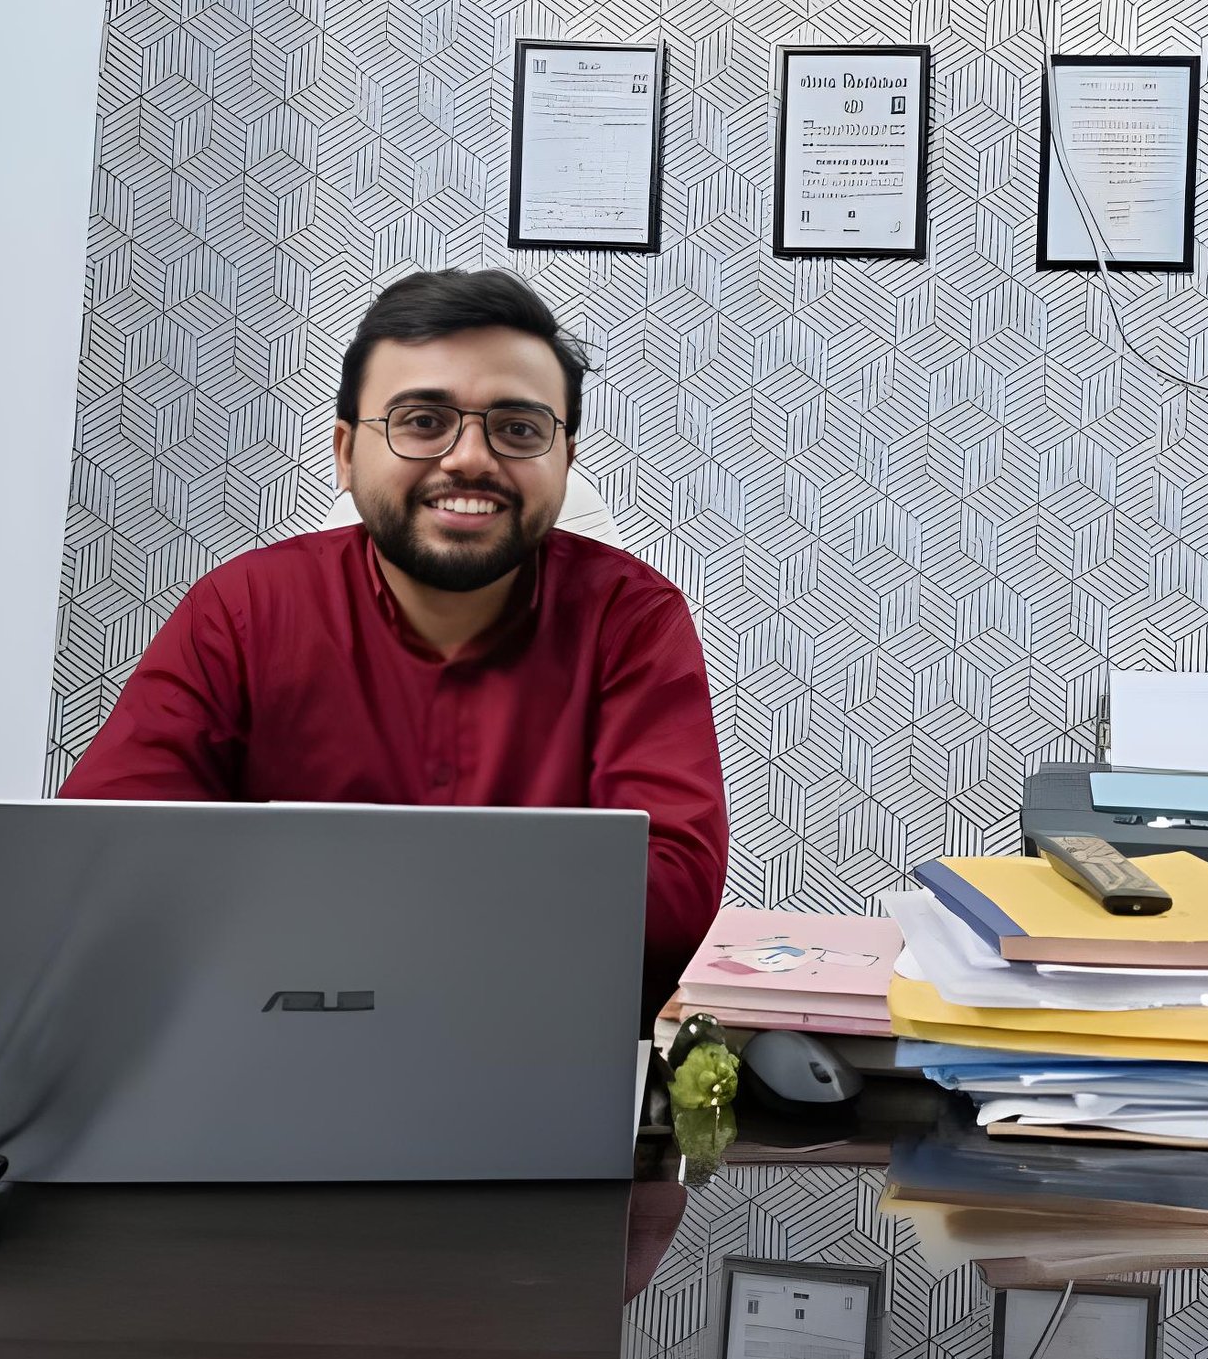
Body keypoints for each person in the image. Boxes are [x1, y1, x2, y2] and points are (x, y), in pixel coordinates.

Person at [60, 268, 728, 1022]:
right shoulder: (242, 611)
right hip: (267, 1042)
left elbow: (672, 898)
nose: (471, 457)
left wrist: (310, 888)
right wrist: (523, 892)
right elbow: (106, 857)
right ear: (345, 453)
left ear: (565, 461)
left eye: (518, 428)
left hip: (543, 1049)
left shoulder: (631, 619)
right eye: (421, 420)